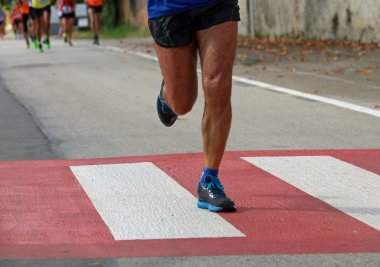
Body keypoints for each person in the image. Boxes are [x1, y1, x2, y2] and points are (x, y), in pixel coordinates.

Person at [149, 0, 240, 212]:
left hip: (217, 4)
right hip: (169, 7)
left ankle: (209, 180)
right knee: (182, 103)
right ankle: (168, 94)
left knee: (218, 84)